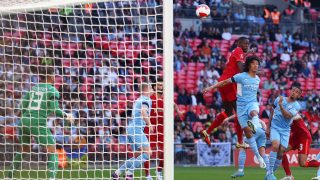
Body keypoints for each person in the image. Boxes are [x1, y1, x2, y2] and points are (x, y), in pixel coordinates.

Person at [5, 66, 74, 180]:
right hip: (37, 122)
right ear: (50, 76)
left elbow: (22, 107)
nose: (54, 78)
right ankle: (52, 178)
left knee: (24, 151)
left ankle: (9, 177)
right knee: (53, 151)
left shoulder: (33, 89)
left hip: (24, 121)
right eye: (54, 75)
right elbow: (55, 110)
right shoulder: (53, 91)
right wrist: (67, 115)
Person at [203, 55, 266, 168]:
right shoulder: (240, 77)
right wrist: (210, 88)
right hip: (241, 107)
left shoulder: (257, 79)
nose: (256, 65)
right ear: (249, 65)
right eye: (254, 63)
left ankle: (255, 125)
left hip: (252, 104)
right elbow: (224, 82)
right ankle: (259, 158)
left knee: (254, 112)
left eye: (257, 64)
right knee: (248, 134)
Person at [201, 37, 251, 149]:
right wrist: (253, 70)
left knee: (228, 112)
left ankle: (207, 132)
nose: (247, 45)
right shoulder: (238, 50)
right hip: (230, 82)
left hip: (223, 82)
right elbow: (241, 68)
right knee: (240, 112)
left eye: (248, 44)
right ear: (239, 43)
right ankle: (240, 141)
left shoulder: (237, 52)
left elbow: (237, 64)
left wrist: (248, 54)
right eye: (245, 43)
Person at [112, 84, 153, 180]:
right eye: (151, 88)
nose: (152, 90)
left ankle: (117, 173)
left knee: (137, 155)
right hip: (136, 129)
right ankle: (129, 173)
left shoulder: (138, 100)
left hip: (131, 128)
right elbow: (143, 111)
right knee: (148, 153)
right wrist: (149, 123)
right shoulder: (146, 99)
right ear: (146, 89)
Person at [144, 78, 181, 180]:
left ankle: (159, 170)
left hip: (162, 128)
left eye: (162, 85)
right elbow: (143, 111)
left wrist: (178, 111)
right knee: (148, 152)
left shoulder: (166, 99)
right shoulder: (149, 99)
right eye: (159, 85)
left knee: (165, 151)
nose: (161, 87)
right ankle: (147, 175)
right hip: (150, 128)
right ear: (155, 87)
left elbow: (174, 104)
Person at [266, 86, 302, 180]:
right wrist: (268, 127)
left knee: (281, 152)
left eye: (297, 92)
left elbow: (287, 116)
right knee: (275, 145)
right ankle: (269, 173)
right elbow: (272, 111)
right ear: (290, 91)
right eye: (293, 90)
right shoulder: (279, 98)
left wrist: (281, 105)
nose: (294, 92)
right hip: (275, 127)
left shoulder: (296, 106)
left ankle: (270, 174)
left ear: (299, 95)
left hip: (285, 130)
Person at [279, 115, 320, 180]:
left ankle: (318, 164)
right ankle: (289, 175)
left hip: (304, 137)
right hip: (295, 137)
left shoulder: (292, 110)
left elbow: (297, 116)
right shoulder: (279, 113)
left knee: (302, 163)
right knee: (281, 151)